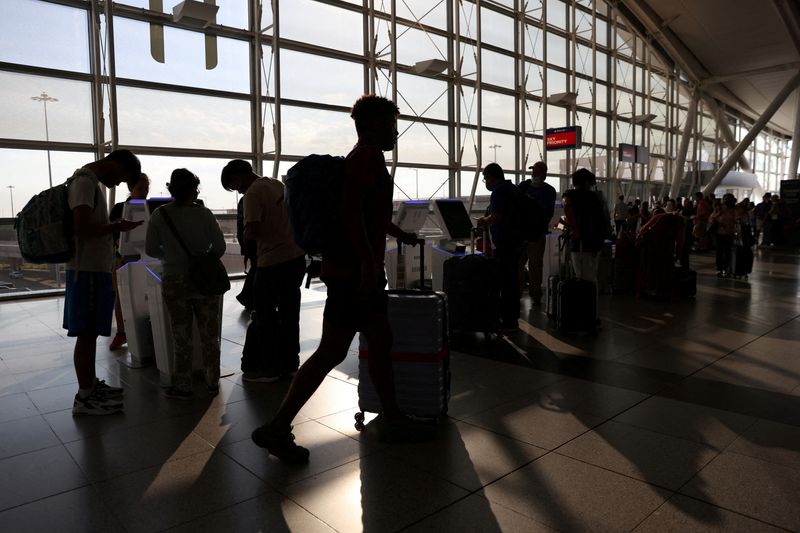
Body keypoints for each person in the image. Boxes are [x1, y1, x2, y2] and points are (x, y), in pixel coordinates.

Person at [251, 95, 425, 464]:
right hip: (353, 272)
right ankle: (278, 427)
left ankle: (391, 417)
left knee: (376, 339)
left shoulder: (360, 159)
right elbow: (349, 211)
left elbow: (367, 212)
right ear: (376, 125)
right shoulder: (368, 157)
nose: (396, 132)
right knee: (334, 349)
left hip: (349, 269)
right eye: (392, 124)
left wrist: (398, 233)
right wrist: (366, 265)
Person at [66, 150, 144, 415]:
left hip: (92, 269)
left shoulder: (88, 182)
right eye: (123, 177)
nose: (119, 184)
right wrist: (115, 227)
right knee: (86, 334)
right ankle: (85, 398)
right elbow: (82, 228)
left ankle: (90, 386)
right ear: (115, 165)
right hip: (85, 270)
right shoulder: (84, 182)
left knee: (91, 332)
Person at [220, 159, 306, 383]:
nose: (236, 190)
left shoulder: (252, 194)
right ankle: (289, 365)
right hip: (295, 257)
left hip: (271, 262)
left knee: (264, 316)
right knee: (290, 315)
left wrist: (249, 234)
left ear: (240, 174)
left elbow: (253, 231)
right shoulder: (278, 185)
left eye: (233, 184)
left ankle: (267, 369)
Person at [145, 169, 226, 399]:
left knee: (181, 335)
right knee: (209, 334)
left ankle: (183, 385)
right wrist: (203, 258)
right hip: (204, 281)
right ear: (195, 189)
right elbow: (219, 248)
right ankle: (212, 381)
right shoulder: (205, 214)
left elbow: (151, 249)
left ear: (171, 189)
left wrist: (170, 255)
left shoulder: (160, 215)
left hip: (175, 281)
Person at [478, 163, 524, 329]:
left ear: (491, 177)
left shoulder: (499, 191)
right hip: (516, 241)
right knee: (511, 280)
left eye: (485, 179)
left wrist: (484, 220)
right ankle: (512, 317)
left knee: (505, 281)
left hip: (504, 243)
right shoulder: (513, 188)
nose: (486, 182)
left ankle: (507, 318)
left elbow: (497, 216)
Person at [108, 173, 150, 350]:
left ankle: (143, 330)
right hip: (123, 258)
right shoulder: (119, 208)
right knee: (121, 295)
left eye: (146, 188)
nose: (144, 192)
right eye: (140, 188)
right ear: (130, 189)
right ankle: (121, 332)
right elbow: (110, 233)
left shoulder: (151, 207)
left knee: (146, 294)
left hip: (145, 256)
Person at [562, 168, 608, 292]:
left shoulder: (570, 195)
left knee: (581, 275)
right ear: (587, 182)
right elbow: (602, 220)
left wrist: (574, 228)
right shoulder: (596, 197)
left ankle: (583, 304)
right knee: (592, 276)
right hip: (595, 242)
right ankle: (592, 305)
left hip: (579, 242)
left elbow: (566, 205)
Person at [517, 161, 556, 305]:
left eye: (537, 172)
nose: (533, 174)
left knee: (534, 266)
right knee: (521, 265)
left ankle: (535, 294)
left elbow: (546, 214)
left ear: (544, 175)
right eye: (533, 171)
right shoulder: (524, 186)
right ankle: (519, 292)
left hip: (536, 235)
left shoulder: (548, 191)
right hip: (523, 235)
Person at [635, 211, 685, 299]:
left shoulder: (658, 216)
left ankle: (644, 290)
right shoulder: (679, 224)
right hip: (666, 250)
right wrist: (677, 256)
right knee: (664, 271)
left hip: (650, 248)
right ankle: (662, 292)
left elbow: (642, 230)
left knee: (648, 269)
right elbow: (680, 243)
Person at [709, 193, 737, 276]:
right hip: (719, 233)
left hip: (729, 233)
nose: (726, 201)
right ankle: (720, 268)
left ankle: (726, 267)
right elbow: (711, 219)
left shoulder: (734, 210)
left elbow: (737, 220)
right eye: (725, 199)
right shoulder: (719, 209)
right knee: (720, 251)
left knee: (727, 251)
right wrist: (718, 215)